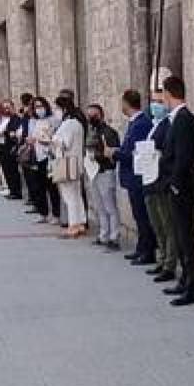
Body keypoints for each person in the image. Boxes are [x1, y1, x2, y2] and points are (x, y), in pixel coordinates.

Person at [158, 75, 194, 307]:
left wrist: (174, 184)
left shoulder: (184, 119)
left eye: (162, 94)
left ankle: (192, 287)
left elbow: (184, 157)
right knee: (180, 235)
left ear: (168, 93)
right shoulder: (177, 118)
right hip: (177, 187)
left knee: (186, 237)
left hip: (182, 189)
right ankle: (185, 280)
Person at [111, 90, 156, 265]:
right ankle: (141, 247)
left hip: (137, 177)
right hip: (132, 177)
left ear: (127, 103)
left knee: (143, 216)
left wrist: (115, 153)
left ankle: (148, 250)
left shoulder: (140, 124)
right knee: (138, 215)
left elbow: (134, 153)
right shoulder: (135, 123)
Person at [144, 95, 180, 283]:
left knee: (167, 224)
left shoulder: (168, 125)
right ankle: (162, 257)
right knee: (157, 223)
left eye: (159, 101)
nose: (155, 105)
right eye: (154, 101)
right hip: (150, 179)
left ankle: (169, 263)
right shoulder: (154, 124)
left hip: (161, 179)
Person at [85, 104, 123, 250]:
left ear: (100, 115)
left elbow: (112, 153)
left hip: (106, 171)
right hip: (94, 172)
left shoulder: (109, 132)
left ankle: (114, 237)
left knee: (110, 207)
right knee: (99, 206)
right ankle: (103, 234)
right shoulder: (92, 131)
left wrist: (97, 156)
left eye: (93, 115)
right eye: (89, 115)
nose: (90, 118)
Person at [50, 95, 88, 238]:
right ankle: (80, 222)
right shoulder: (77, 123)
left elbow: (64, 143)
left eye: (58, 108)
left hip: (67, 162)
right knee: (76, 194)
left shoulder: (69, 124)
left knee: (69, 196)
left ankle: (73, 225)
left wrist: (51, 139)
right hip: (76, 162)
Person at [24, 97, 59, 224]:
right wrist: (29, 140)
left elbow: (56, 135)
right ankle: (42, 212)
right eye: (36, 107)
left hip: (48, 155)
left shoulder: (53, 120)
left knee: (51, 186)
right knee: (38, 186)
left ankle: (56, 213)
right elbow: (30, 136)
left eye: (41, 106)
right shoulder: (33, 121)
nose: (39, 109)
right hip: (36, 155)